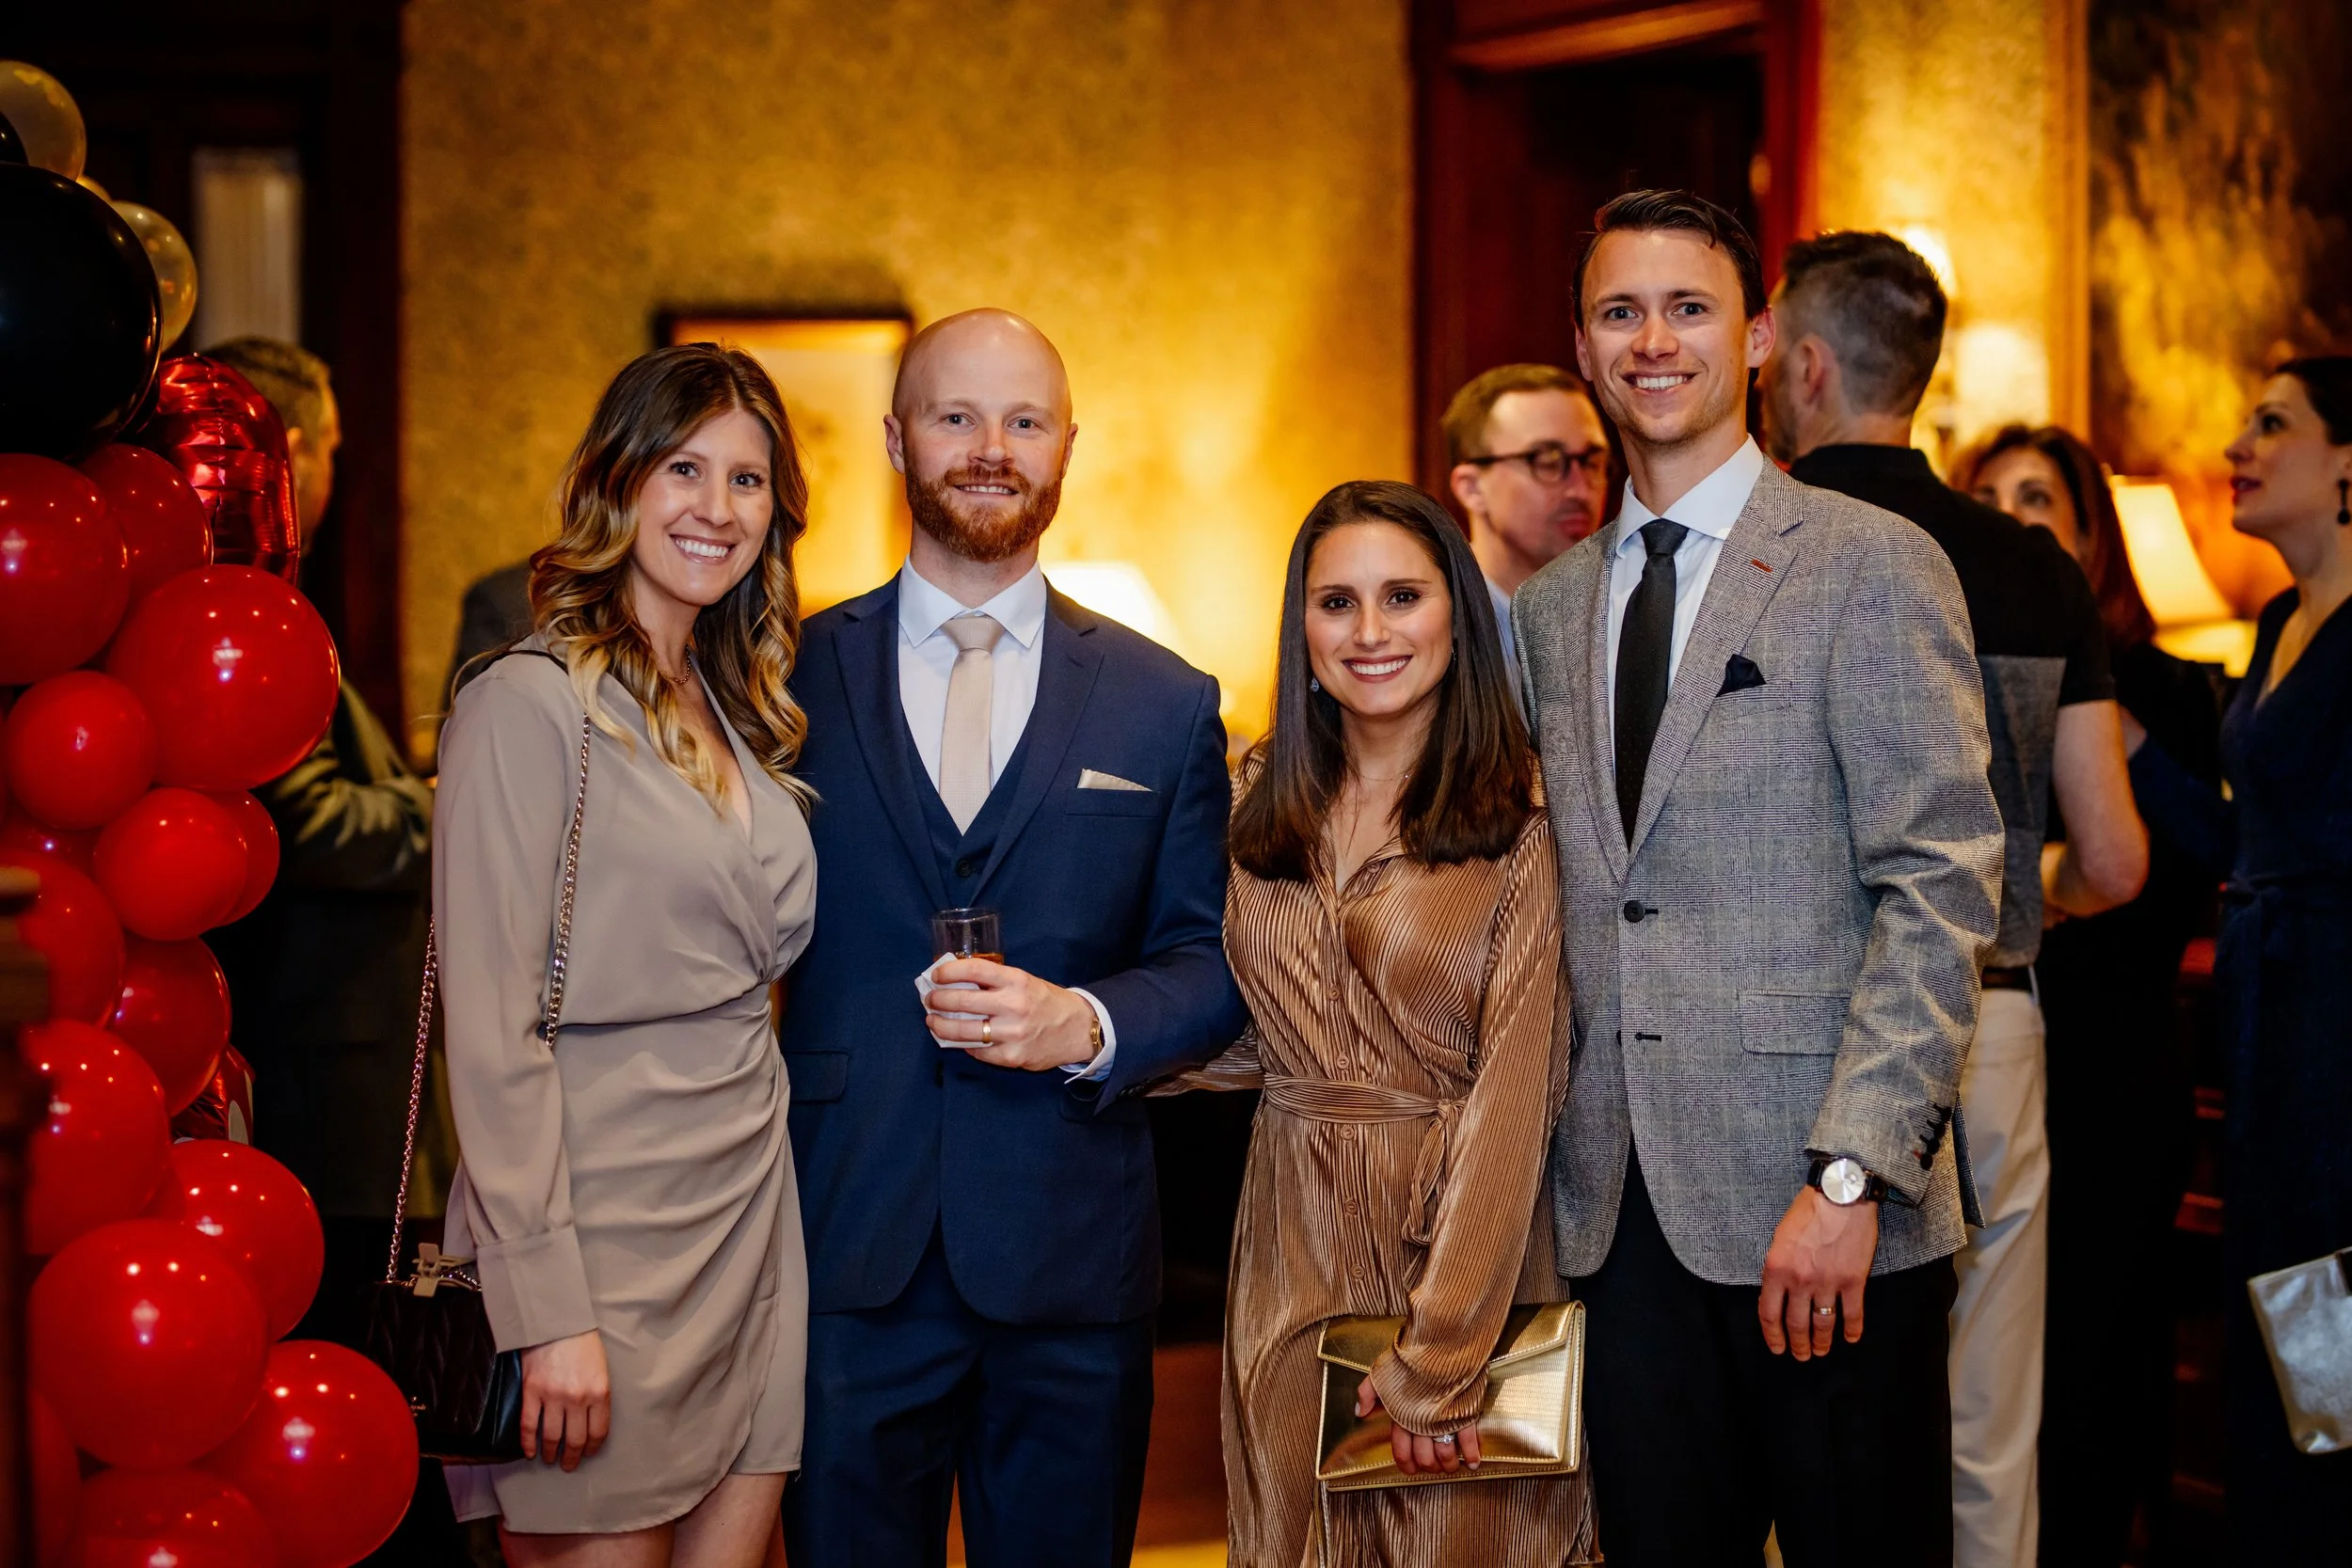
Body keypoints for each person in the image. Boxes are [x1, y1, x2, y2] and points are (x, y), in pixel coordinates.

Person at [1512, 190, 2004, 1566]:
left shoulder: (1871, 565)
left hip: (1822, 1210)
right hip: (1615, 1218)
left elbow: (1941, 883)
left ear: (1761, 338)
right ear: (1585, 344)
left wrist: (1849, 1174)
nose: (1652, 340)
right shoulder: (1555, 607)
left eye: (1688, 308)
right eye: (1621, 311)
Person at [777, 309, 1245, 1568]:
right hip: (843, 1245)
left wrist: (1084, 1022)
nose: (991, 447)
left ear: (1067, 447)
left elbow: (1210, 964)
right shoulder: (783, 674)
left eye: (1024, 420)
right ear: (895, 436)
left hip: (1072, 1261)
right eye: (956, 415)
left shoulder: (1167, 698)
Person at [1758, 231, 2150, 1568]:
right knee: (1990, 1410)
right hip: (1990, 1021)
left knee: (1785, 1393)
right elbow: (2114, 858)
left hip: (1795, 1030)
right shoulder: (2034, 563)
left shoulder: (1760, 545)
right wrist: (2004, 889)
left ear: (1801, 364)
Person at [433, 342, 817, 1564]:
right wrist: (544, 1310)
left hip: (752, 1223)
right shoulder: (524, 704)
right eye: (684, 466)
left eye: (748, 480)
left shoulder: (742, 705)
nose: (717, 506)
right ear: (618, 480)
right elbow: (491, 1036)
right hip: (595, 1241)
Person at [1172, 479, 1594, 1565]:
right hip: (1287, 1251)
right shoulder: (1252, 795)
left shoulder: (1525, 819)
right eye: (1335, 602)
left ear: (1457, 614)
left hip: (1457, 1259)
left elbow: (1517, 1094)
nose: (1368, 632)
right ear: (1298, 624)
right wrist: (1089, 1033)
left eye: (1401, 596)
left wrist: (1439, 1357)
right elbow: (1259, 1027)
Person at [1964, 423, 2219, 1565]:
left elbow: (2202, 852)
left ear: (2085, 533)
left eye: (2038, 497)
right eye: (1990, 497)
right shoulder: (1948, 675)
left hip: (2113, 1060)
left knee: (2097, 1344)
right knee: (1981, 1367)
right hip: (1988, 1042)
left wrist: (2106, 715)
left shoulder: (2158, 677)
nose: (2014, 518)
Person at [2122, 357, 2352, 1560]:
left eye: (2272, 424)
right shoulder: (2274, 623)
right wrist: (2127, 741)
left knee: (2333, 1299)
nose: (2236, 446)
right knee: (2275, 1297)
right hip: (2265, 1015)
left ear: (2348, 465)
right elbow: (2234, 839)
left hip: (2338, 1024)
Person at [1441, 363, 1613, 679]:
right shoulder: (1434, 630)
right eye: (1547, 461)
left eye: (1592, 462)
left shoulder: (1619, 614)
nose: (1579, 489)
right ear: (1472, 488)